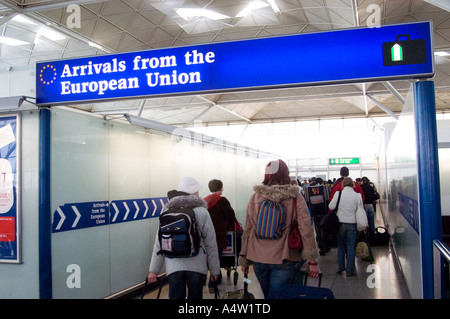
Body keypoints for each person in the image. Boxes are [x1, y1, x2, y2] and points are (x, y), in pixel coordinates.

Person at [238, 159, 319, 299]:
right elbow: (306, 228)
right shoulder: (295, 197)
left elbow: (248, 229)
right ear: (286, 174)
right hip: (283, 258)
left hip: (258, 258)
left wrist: (244, 257)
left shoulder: (255, 197)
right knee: (277, 296)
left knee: (268, 295)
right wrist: (312, 260)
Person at [147, 177, 220, 299]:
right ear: (194, 192)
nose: (198, 193)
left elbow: (159, 241)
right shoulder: (201, 211)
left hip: (173, 264)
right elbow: (210, 243)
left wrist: (153, 270)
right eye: (197, 190)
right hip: (197, 264)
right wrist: (214, 270)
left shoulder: (167, 209)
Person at [203, 179, 236, 291]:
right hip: (218, 234)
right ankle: (213, 283)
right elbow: (231, 216)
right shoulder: (222, 201)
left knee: (211, 258)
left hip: (205, 235)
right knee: (216, 258)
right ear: (220, 188)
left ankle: (216, 278)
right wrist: (228, 224)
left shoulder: (204, 201)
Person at [328, 177, 363, 276]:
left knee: (341, 245)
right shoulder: (357, 195)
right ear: (353, 184)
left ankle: (341, 267)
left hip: (340, 223)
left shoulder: (338, 194)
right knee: (351, 246)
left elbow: (331, 206)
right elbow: (360, 210)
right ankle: (350, 271)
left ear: (343, 184)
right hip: (352, 223)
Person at [304, 177, 331, 255]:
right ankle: (326, 246)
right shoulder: (324, 188)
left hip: (315, 214)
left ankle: (321, 248)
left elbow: (307, 201)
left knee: (318, 231)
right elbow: (328, 199)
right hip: (324, 213)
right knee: (325, 230)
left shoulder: (308, 190)